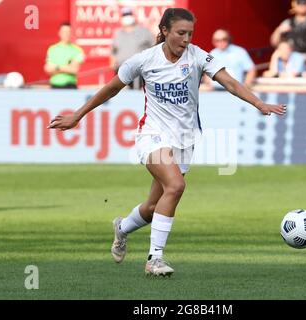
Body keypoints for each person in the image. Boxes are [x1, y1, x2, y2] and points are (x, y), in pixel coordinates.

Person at [48, 8, 286, 277]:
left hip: (184, 140)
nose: (186, 39)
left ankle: (122, 227)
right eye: (180, 33)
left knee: (153, 207)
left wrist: (258, 103)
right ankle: (154, 259)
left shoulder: (197, 56)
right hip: (152, 135)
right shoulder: (144, 60)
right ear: (164, 31)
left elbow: (229, 82)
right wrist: (77, 115)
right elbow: (111, 88)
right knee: (176, 185)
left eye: (190, 34)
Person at [110, 7, 155, 89]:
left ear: (133, 16)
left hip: (139, 70)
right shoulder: (118, 33)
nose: (127, 17)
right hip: (121, 70)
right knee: (120, 95)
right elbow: (113, 51)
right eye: (125, 15)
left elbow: (154, 47)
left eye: (128, 15)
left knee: (138, 94)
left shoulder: (144, 31)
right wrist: (113, 65)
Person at [44, 22, 85, 89]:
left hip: (70, 87)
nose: (66, 34)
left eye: (68, 32)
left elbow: (74, 69)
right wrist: (67, 67)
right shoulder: (52, 49)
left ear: (71, 33)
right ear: (59, 33)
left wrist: (56, 67)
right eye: (64, 32)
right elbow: (48, 69)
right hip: (54, 87)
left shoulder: (77, 50)